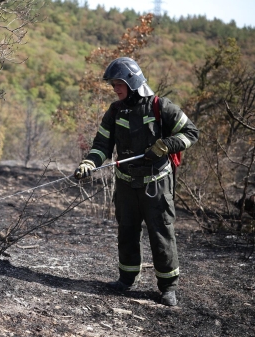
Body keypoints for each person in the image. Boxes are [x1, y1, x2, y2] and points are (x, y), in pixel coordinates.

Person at [74, 57, 199, 306]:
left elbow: (191, 132)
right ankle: (126, 279)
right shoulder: (115, 111)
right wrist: (89, 163)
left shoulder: (160, 106)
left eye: (118, 83)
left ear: (132, 81)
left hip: (157, 185)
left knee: (161, 234)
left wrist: (166, 145)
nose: (115, 88)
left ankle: (167, 288)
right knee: (127, 232)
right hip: (126, 185)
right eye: (113, 85)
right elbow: (102, 146)